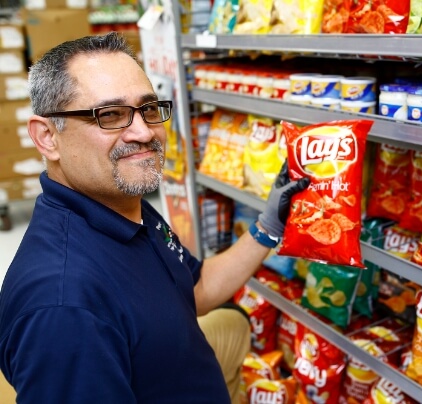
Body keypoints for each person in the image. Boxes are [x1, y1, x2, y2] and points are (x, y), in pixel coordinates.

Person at [0, 32, 309, 403]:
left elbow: (192, 291)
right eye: (110, 115)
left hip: (179, 365)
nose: (144, 132)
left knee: (234, 323)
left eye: (148, 109)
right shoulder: (64, 309)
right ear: (47, 137)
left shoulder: (121, 204)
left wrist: (266, 228)